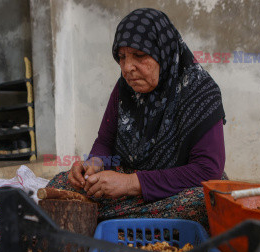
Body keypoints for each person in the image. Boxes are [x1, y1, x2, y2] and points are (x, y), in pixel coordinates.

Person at [46, 8, 226, 231]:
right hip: (128, 183)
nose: (127, 68)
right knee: (58, 185)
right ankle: (120, 222)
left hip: (177, 188)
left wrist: (131, 184)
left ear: (164, 52)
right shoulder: (126, 88)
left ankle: (92, 215)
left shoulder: (200, 92)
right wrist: (93, 165)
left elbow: (208, 171)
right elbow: (105, 141)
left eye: (139, 56)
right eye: (121, 57)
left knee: (205, 203)